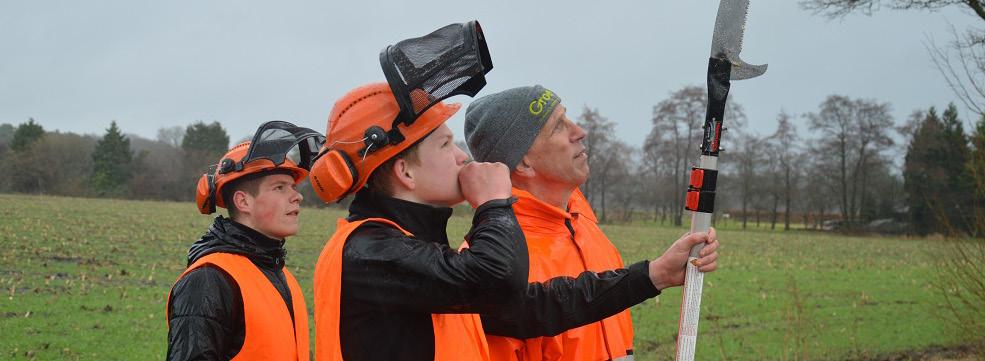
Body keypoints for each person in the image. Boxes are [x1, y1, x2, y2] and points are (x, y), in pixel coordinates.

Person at [309, 83, 720, 361]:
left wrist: (652, 275)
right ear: (406, 172)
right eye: (445, 144)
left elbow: (535, 307)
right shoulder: (370, 254)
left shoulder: (410, 251)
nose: (461, 158)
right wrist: (494, 203)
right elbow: (499, 281)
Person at [464, 85, 720, 361]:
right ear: (524, 163)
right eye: (558, 127)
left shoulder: (580, 220)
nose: (580, 131)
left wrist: (662, 271)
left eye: (568, 117)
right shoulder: (489, 262)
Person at [166, 121, 324, 361]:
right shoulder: (208, 280)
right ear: (243, 202)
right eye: (280, 187)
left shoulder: (280, 274)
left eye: (293, 187)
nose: (297, 196)